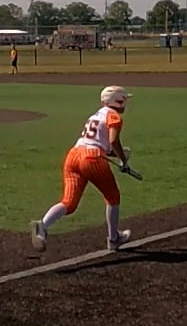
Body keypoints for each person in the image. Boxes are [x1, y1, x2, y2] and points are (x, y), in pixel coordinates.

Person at [31, 86, 134, 253]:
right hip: (92, 158)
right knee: (112, 196)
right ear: (118, 101)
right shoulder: (113, 116)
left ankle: (42, 226)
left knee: (68, 203)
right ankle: (113, 238)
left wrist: (116, 154)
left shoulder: (96, 115)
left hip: (74, 155)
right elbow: (113, 141)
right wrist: (123, 161)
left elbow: (97, 142)